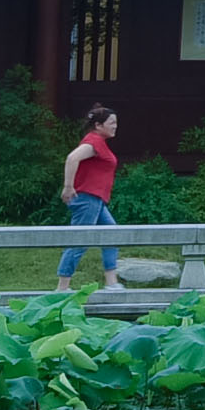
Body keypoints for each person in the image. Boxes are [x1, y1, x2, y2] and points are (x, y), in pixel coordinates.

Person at [60, 105, 124, 286]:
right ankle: (62, 287)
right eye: (111, 123)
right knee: (79, 241)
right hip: (87, 198)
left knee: (112, 233)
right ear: (98, 125)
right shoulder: (93, 142)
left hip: (96, 200)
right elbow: (72, 158)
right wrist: (68, 187)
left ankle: (112, 283)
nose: (115, 126)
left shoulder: (99, 143)